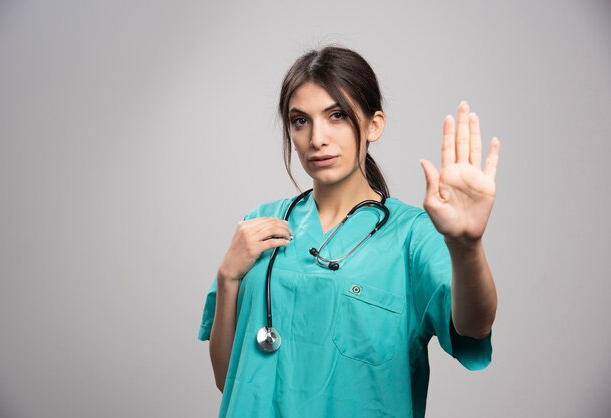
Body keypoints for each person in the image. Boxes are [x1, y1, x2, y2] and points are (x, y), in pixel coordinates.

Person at [198, 45, 501, 418]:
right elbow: (227, 377)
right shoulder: (259, 225)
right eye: (300, 120)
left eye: (336, 116)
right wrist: (228, 275)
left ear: (374, 124)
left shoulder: (411, 235)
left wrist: (467, 246)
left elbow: (473, 327)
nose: (317, 138)